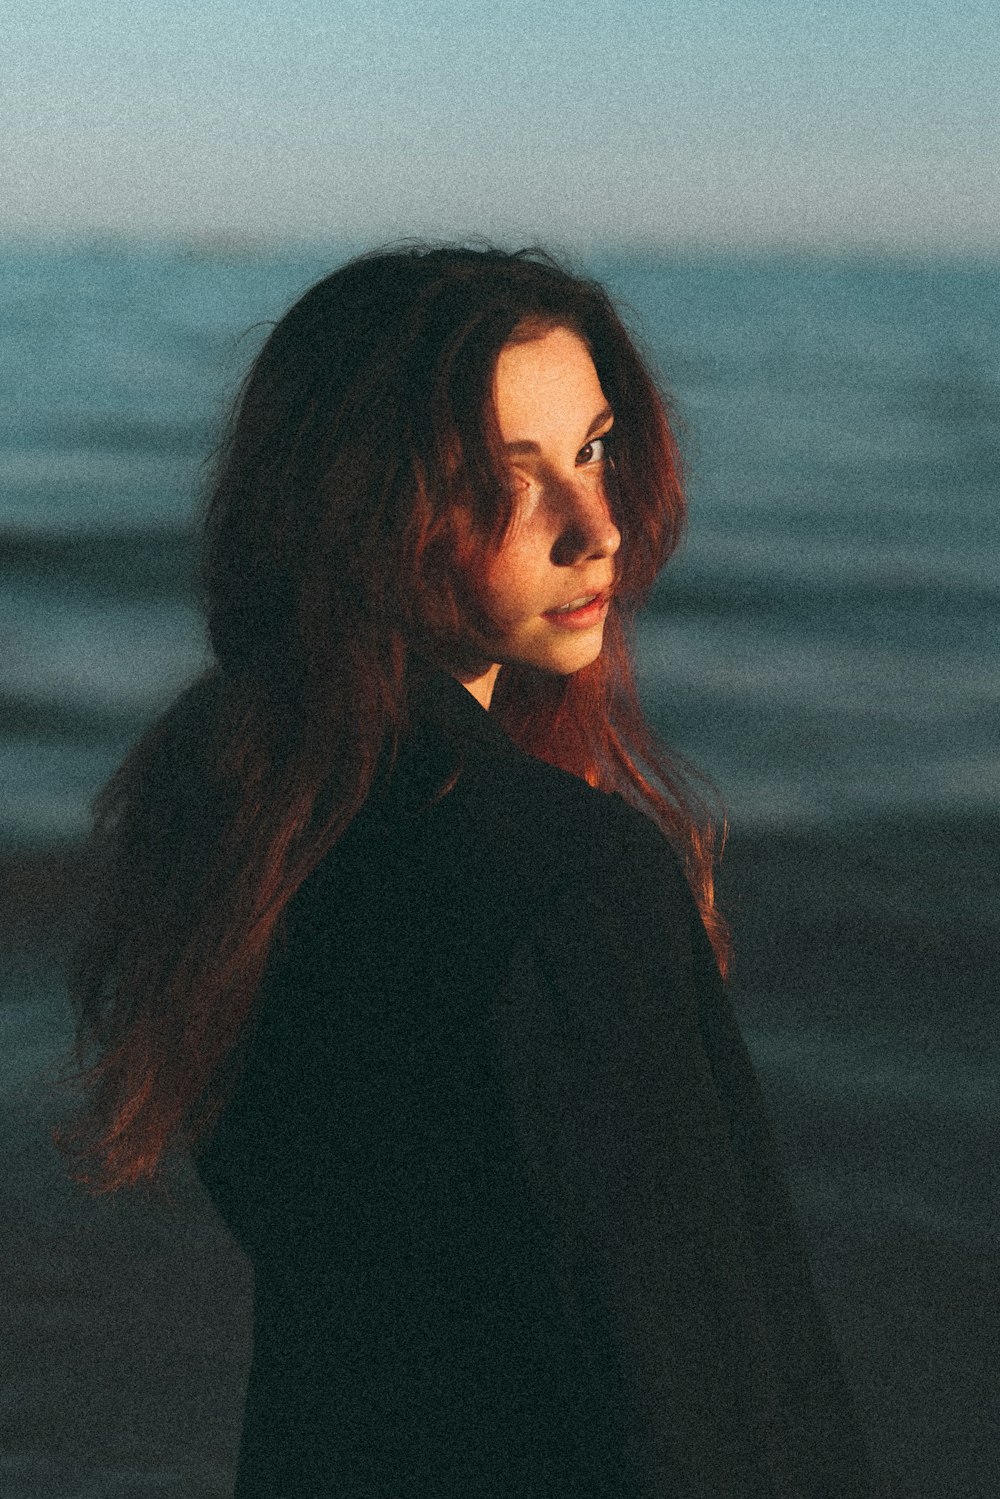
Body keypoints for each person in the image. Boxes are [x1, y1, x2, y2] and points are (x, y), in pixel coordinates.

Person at [56, 242, 880, 1497]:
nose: (594, 528)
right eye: (508, 479)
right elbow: (699, 1406)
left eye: (595, 450)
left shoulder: (242, 824)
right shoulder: (569, 882)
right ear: (359, 506)